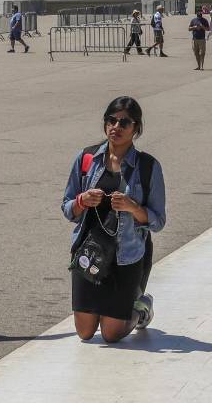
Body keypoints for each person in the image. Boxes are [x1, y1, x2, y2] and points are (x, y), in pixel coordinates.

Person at [62, 96, 166, 343]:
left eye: (124, 123)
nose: (116, 127)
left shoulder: (148, 166)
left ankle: (140, 310)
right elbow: (67, 209)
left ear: (136, 129)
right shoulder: (87, 159)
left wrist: (133, 207)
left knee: (111, 335)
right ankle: (108, 308)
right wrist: (82, 200)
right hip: (89, 251)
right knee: (85, 333)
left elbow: (158, 221)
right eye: (111, 120)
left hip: (126, 256)